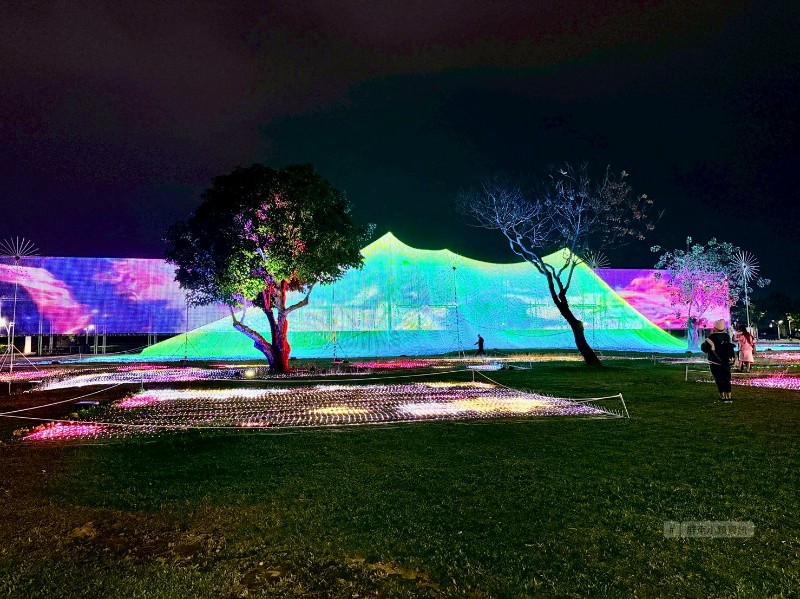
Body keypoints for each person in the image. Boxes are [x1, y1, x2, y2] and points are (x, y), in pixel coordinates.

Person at [700, 319, 736, 402]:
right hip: (726, 361)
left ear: (715, 328)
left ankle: (722, 396)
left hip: (715, 361)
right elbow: (729, 347)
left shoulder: (711, 337)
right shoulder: (726, 336)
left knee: (719, 379)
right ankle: (728, 396)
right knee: (726, 378)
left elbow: (705, 349)